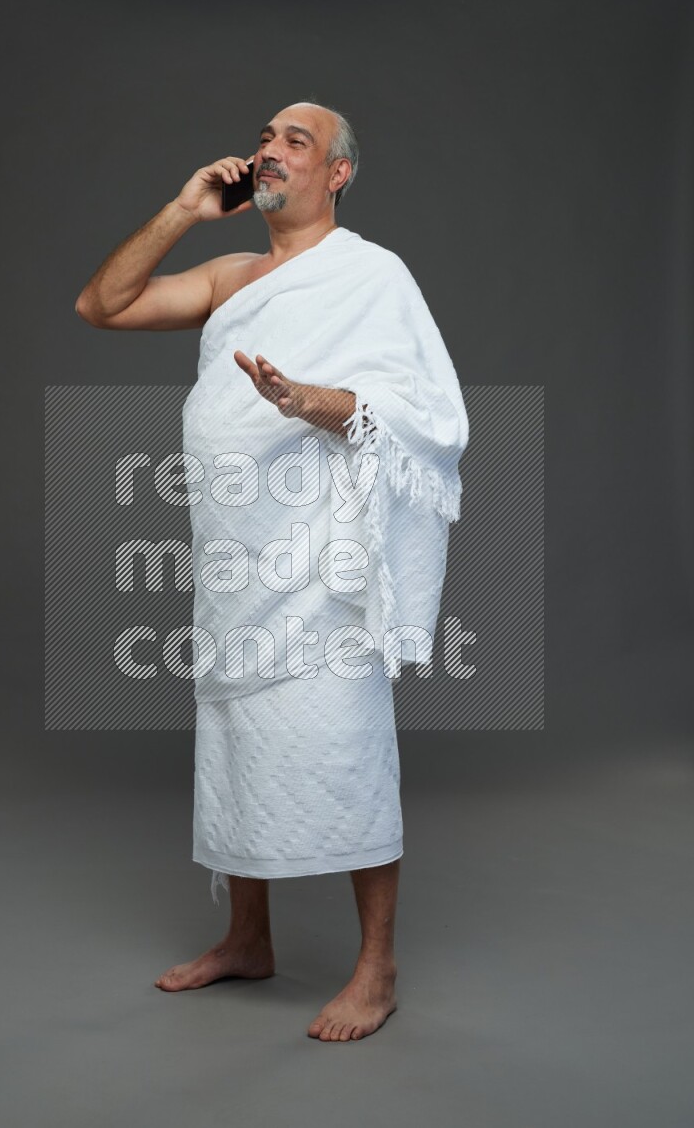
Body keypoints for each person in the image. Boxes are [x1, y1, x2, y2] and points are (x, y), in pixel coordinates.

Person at [75, 100, 468, 1042]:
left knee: (348, 748)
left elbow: (428, 415)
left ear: (338, 173)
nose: (270, 151)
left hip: (324, 562)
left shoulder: (375, 276)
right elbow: (105, 303)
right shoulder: (231, 275)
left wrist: (312, 401)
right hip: (235, 553)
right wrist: (182, 210)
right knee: (239, 741)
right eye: (265, 138)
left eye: (297, 140)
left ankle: (377, 966)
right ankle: (248, 936)